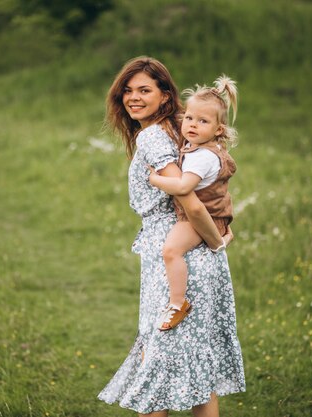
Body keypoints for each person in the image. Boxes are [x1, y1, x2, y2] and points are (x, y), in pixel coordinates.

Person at [98, 56, 245, 417]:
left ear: (166, 96)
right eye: (128, 91)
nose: (133, 97)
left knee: (155, 364)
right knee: (199, 368)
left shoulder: (154, 135)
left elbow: (191, 202)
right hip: (194, 253)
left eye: (144, 90)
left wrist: (216, 242)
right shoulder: (182, 129)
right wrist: (217, 240)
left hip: (177, 257)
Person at [148, 75, 239, 331]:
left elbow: (184, 187)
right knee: (171, 251)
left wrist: (155, 179)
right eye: (189, 117)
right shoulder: (198, 145)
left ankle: (178, 304)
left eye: (203, 121)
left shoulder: (203, 157)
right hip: (211, 214)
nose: (192, 125)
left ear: (218, 130)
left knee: (171, 251)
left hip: (201, 217)